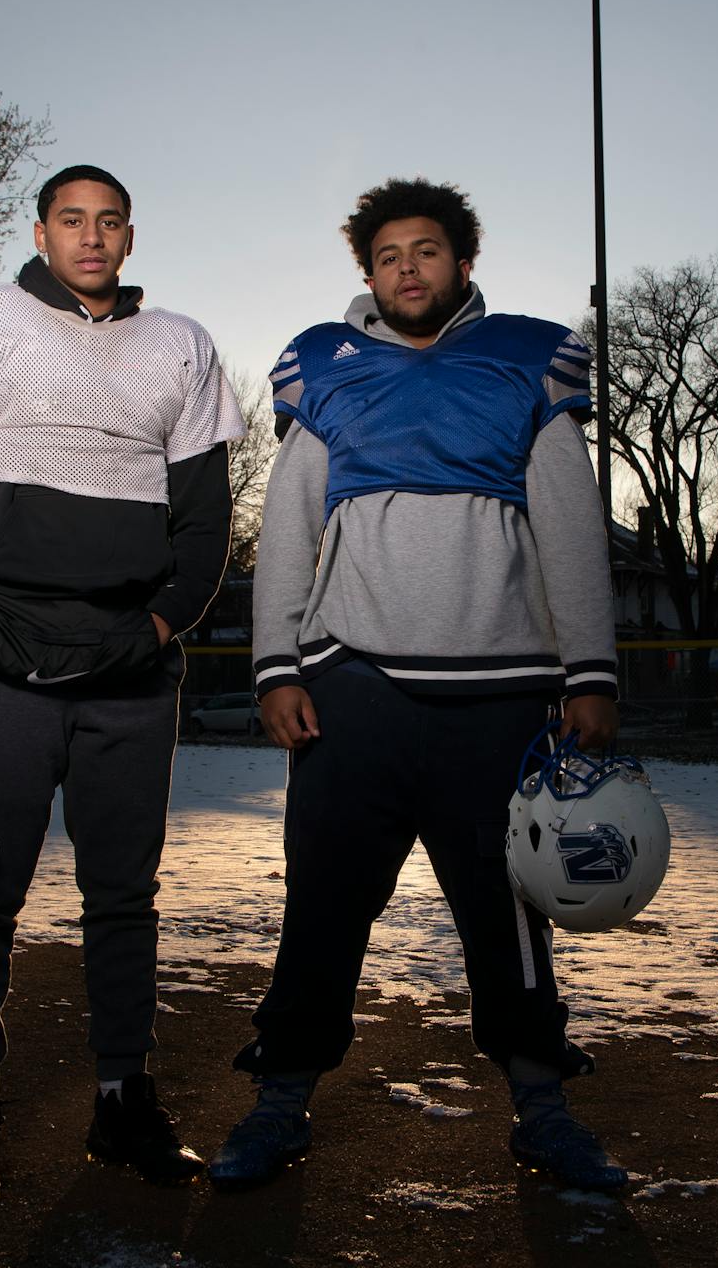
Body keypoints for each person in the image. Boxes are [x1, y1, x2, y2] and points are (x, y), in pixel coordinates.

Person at [208, 177, 627, 1192]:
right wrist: (276, 668)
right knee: (324, 903)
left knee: (509, 910)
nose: (408, 267)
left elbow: (570, 529)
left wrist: (591, 672)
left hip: (500, 694)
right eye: (390, 253)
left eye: (427, 251)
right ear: (367, 269)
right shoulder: (328, 367)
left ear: (463, 263)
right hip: (358, 687)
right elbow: (291, 523)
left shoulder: (528, 363)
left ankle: (542, 1106)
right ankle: (280, 1103)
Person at [0, 164, 244, 1202]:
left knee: (124, 896)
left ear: (132, 238)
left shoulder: (181, 344)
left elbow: (207, 522)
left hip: (130, 670)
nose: (91, 237)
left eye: (110, 222)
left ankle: (123, 1098)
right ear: (41, 231)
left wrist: (162, 623)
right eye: (72, 220)